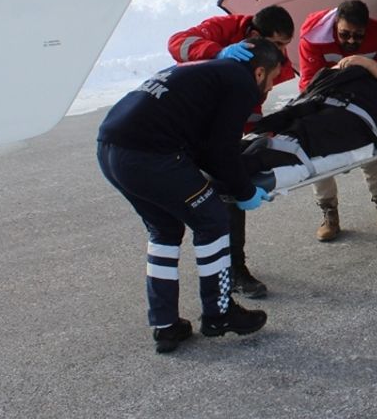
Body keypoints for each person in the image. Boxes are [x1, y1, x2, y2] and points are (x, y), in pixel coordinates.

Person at [96, 39, 285, 353]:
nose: (271, 86)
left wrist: (233, 181)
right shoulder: (241, 83)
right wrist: (245, 191)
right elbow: (221, 150)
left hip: (110, 149)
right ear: (259, 71)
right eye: (273, 78)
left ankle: (166, 325)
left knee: (165, 230)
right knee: (212, 220)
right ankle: (219, 313)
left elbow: (203, 148)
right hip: (149, 153)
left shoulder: (207, 72)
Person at [166, 5, 295, 300]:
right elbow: (178, 42)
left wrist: (255, 132)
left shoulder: (262, 64)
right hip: (187, 129)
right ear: (253, 35)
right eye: (275, 45)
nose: (281, 54)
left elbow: (251, 103)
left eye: (284, 46)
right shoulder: (225, 30)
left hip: (214, 128)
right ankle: (224, 277)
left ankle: (231, 269)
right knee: (210, 202)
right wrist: (217, 52)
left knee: (227, 194)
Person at [242, 54, 377, 195]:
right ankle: (232, 152)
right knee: (273, 122)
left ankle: (242, 167)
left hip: (355, 118)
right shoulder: (351, 69)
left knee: (302, 134)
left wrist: (370, 65)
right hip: (320, 98)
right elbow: (311, 87)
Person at [297, 0, 377, 241]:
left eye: (358, 36)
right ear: (334, 25)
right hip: (322, 98)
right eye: (345, 34)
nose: (351, 42)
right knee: (318, 155)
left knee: (372, 151)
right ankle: (329, 212)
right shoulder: (312, 35)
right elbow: (308, 84)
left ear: (367, 29)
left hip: (362, 96)